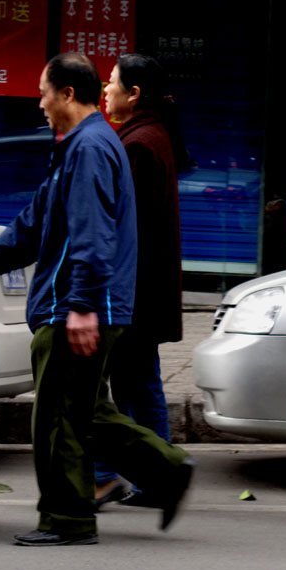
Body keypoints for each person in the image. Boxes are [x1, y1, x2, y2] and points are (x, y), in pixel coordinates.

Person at [0, 52, 193, 547]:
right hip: (75, 305)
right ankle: (165, 472)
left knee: (58, 420)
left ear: (66, 94)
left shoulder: (90, 149)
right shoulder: (79, 146)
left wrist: (82, 305)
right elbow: (35, 220)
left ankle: (68, 520)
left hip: (77, 308)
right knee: (78, 411)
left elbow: (93, 233)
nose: (38, 104)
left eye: (43, 92)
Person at [94, 54, 187, 507]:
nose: (106, 91)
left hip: (131, 290)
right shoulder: (149, 136)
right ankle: (156, 477)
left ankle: (117, 476)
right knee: (136, 385)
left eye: (112, 83)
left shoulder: (137, 145)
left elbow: (117, 226)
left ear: (134, 94)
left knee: (107, 388)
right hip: (142, 289)